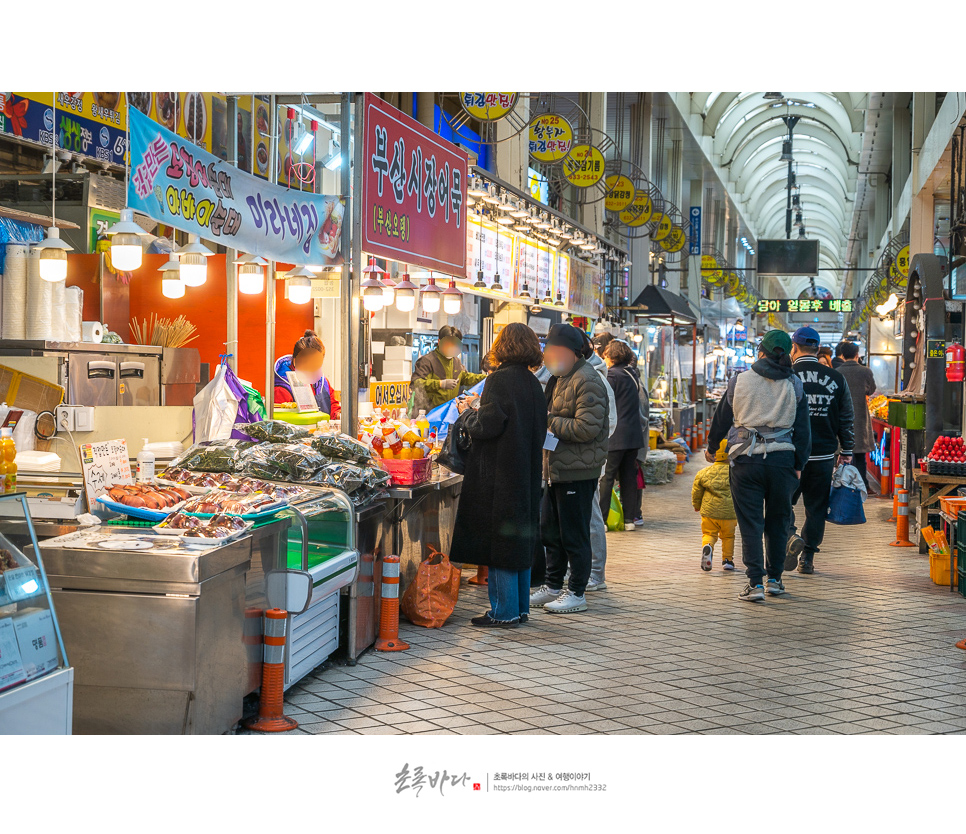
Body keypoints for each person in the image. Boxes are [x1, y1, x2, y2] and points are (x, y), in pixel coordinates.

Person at [450, 324, 546, 628]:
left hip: (499, 473)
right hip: (526, 472)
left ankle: (503, 611)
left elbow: (489, 425)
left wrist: (467, 414)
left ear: (502, 345)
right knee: (519, 539)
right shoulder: (533, 383)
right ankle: (520, 608)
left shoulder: (499, 379)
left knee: (500, 541)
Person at [707, 330, 811, 602]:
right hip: (783, 461)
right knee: (778, 522)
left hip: (746, 461)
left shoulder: (739, 381)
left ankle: (755, 583)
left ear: (760, 351)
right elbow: (803, 430)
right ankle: (775, 579)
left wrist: (710, 447)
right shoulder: (795, 384)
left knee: (750, 523)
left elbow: (721, 419)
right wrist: (799, 464)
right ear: (789, 353)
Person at [530, 323, 609, 614]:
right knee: (551, 531)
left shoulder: (587, 380)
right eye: (547, 349)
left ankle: (577, 591)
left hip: (578, 470)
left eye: (555, 349)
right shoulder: (560, 378)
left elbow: (587, 428)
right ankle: (552, 586)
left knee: (574, 535)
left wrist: (549, 419)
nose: (549, 355)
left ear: (573, 352)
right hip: (556, 469)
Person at [786, 326, 855, 575]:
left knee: (784, 503)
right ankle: (807, 558)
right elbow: (846, 417)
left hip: (790, 455)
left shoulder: (786, 374)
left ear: (794, 347)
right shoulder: (836, 379)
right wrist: (847, 449)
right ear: (817, 349)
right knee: (815, 508)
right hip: (824, 456)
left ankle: (789, 537)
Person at [598, 339, 645, 532]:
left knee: (607, 477)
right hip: (633, 436)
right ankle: (629, 520)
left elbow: (605, 402)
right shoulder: (632, 374)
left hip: (616, 435)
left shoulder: (612, 376)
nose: (604, 358)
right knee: (628, 477)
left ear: (611, 355)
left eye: (606, 354)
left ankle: (602, 519)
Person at [410, 326, 485, 411]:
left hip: (448, 413)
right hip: (428, 413)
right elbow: (415, 383)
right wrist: (441, 384)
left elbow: (466, 377)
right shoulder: (427, 361)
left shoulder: (456, 361)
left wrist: (486, 378)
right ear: (439, 342)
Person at [836, 340, 877, 489]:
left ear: (842, 355)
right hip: (860, 416)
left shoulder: (838, 372)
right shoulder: (865, 371)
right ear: (857, 355)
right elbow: (871, 390)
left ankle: (844, 483)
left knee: (843, 453)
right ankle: (862, 484)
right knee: (860, 456)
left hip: (841, 417)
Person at [273, 330, 341, 418]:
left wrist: (339, 415)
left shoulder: (323, 382)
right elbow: (281, 425)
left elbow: (333, 407)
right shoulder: (281, 390)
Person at [693, 441, 737, 572]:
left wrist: (697, 505)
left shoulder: (703, 473)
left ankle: (708, 546)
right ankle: (727, 560)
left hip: (709, 513)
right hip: (730, 513)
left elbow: (696, 492)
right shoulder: (735, 473)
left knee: (709, 534)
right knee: (728, 536)